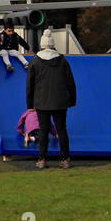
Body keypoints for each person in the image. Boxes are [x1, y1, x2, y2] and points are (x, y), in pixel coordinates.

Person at [25, 32, 75, 169]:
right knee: (62, 129)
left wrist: (30, 104)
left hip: (41, 101)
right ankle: (65, 159)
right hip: (60, 101)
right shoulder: (62, 60)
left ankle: (42, 159)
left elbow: (30, 84)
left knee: (43, 130)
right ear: (53, 46)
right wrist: (72, 100)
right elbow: (70, 81)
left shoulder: (35, 61)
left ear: (41, 46)